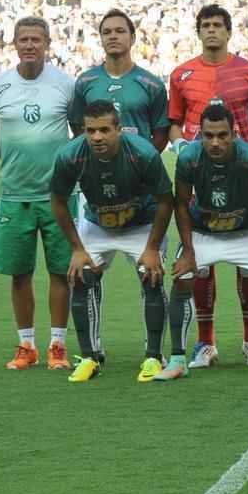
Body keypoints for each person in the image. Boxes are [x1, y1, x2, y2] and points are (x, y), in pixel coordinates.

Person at [168, 4, 248, 370]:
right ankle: (205, 344)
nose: (212, 30)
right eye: (205, 25)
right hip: (198, 177)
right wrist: (181, 147)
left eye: (217, 25)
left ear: (229, 31)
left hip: (240, 173)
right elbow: (174, 123)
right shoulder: (182, 74)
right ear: (199, 31)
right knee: (200, 262)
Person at [48, 100, 174, 383]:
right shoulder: (70, 155)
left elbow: (166, 201)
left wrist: (153, 248)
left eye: (105, 129)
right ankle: (90, 357)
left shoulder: (142, 153)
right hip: (97, 224)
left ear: (119, 129)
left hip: (141, 224)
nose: (97, 137)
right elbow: (57, 201)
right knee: (81, 276)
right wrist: (78, 249)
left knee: (150, 275)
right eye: (90, 130)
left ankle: (153, 356)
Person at [161, 104, 248, 380]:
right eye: (208, 136)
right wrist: (189, 251)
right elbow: (180, 204)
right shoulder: (188, 159)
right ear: (200, 135)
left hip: (246, 229)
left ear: (234, 133)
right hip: (204, 230)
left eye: (222, 135)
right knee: (183, 277)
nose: (215, 142)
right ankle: (178, 359)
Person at [0, 15, 75, 371]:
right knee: (19, 272)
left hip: (58, 197)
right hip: (13, 194)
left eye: (37, 39)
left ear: (48, 43)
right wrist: (18, 160)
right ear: (15, 44)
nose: (30, 45)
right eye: (24, 39)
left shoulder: (65, 85)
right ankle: (26, 345)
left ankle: (58, 346)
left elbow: (79, 134)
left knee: (61, 272)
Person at [70, 9, 169, 151]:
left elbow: (161, 134)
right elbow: (77, 126)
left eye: (120, 31)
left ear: (133, 38)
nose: (113, 36)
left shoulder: (153, 85)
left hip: (137, 170)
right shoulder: (84, 81)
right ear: (101, 39)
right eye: (107, 32)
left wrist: (142, 161)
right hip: (97, 167)